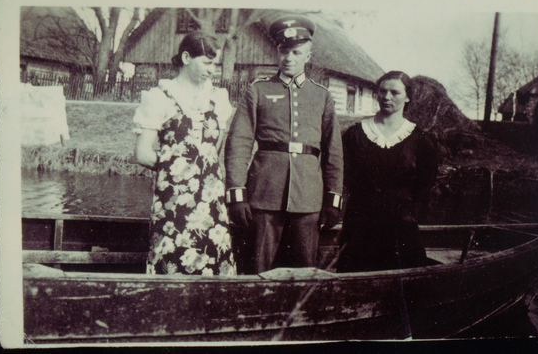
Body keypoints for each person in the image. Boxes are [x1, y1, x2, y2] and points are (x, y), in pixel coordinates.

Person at [224, 15, 344, 274]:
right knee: (258, 268)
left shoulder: (321, 96)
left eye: (296, 52)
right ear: (277, 52)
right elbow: (239, 144)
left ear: (307, 56)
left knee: (304, 270)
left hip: (308, 198)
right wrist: (236, 194)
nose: (289, 58)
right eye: (284, 51)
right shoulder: (257, 90)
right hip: (264, 194)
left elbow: (333, 152)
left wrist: (333, 200)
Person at [133, 31, 237, 276]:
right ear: (187, 57)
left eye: (216, 64)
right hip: (173, 203)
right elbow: (143, 153)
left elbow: (213, 151)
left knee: (214, 261)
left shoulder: (218, 99)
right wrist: (177, 169)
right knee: (171, 260)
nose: (213, 70)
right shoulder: (160, 98)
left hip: (211, 202)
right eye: (207, 63)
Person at [337, 71, 438, 273]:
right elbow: (346, 177)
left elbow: (425, 185)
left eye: (395, 92)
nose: (387, 97)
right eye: (382, 91)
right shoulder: (355, 134)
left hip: (400, 228)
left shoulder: (421, 140)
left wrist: (402, 207)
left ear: (407, 96)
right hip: (360, 225)